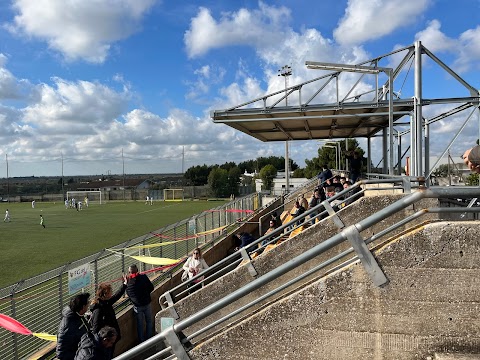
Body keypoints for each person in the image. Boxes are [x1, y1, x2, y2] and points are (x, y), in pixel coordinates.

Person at [89, 277, 127, 354]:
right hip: (106, 341)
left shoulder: (106, 302)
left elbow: (116, 296)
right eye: (110, 292)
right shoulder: (98, 309)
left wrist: (124, 284)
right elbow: (95, 328)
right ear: (105, 294)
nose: (111, 293)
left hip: (110, 338)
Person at [56, 292, 91, 360]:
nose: (88, 305)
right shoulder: (67, 327)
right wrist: (80, 355)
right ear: (83, 307)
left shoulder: (78, 315)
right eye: (88, 304)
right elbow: (61, 354)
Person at [126, 264, 154, 343]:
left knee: (140, 325)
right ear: (137, 270)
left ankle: (142, 341)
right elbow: (151, 287)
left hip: (137, 306)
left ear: (129, 272)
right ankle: (149, 339)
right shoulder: (143, 277)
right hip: (146, 303)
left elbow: (129, 294)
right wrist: (146, 294)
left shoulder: (128, 282)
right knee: (149, 321)